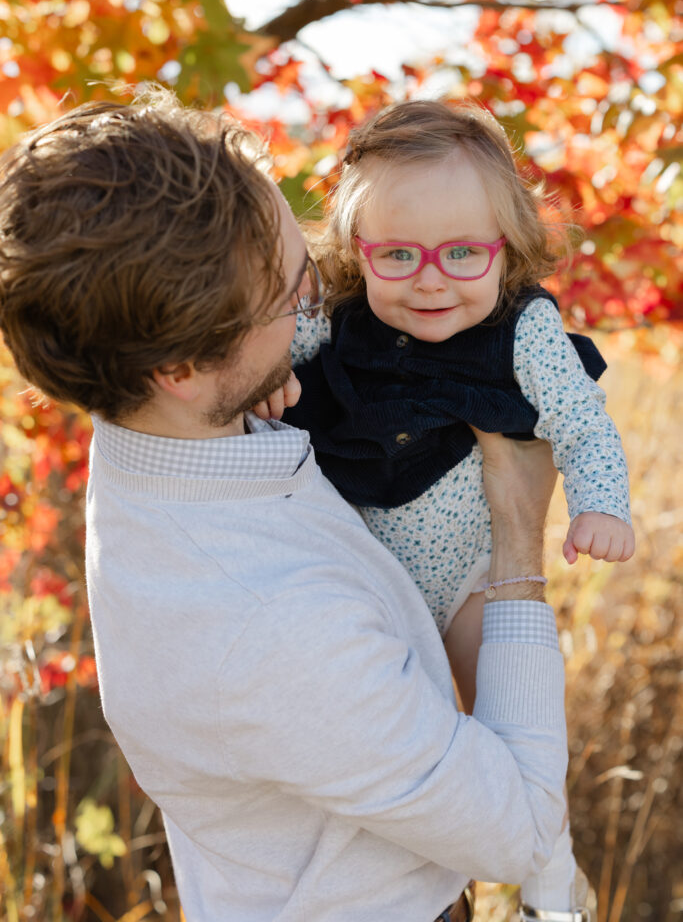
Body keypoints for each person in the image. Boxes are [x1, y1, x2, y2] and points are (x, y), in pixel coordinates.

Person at [1, 89, 570, 922]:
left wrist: (258, 386)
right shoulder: (272, 630)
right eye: (293, 295)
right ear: (183, 365)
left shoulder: (147, 405)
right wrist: (518, 540)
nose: (318, 300)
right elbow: (522, 830)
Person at [276, 100, 634, 919]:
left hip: (475, 579)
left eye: (461, 252)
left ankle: (549, 867)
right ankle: (426, 885)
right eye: (396, 254)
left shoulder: (525, 330)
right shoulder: (335, 322)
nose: (430, 278)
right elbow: (277, 367)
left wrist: (600, 506)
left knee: (513, 721)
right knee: (411, 755)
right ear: (355, 252)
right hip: (367, 587)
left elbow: (582, 427)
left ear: (505, 250)